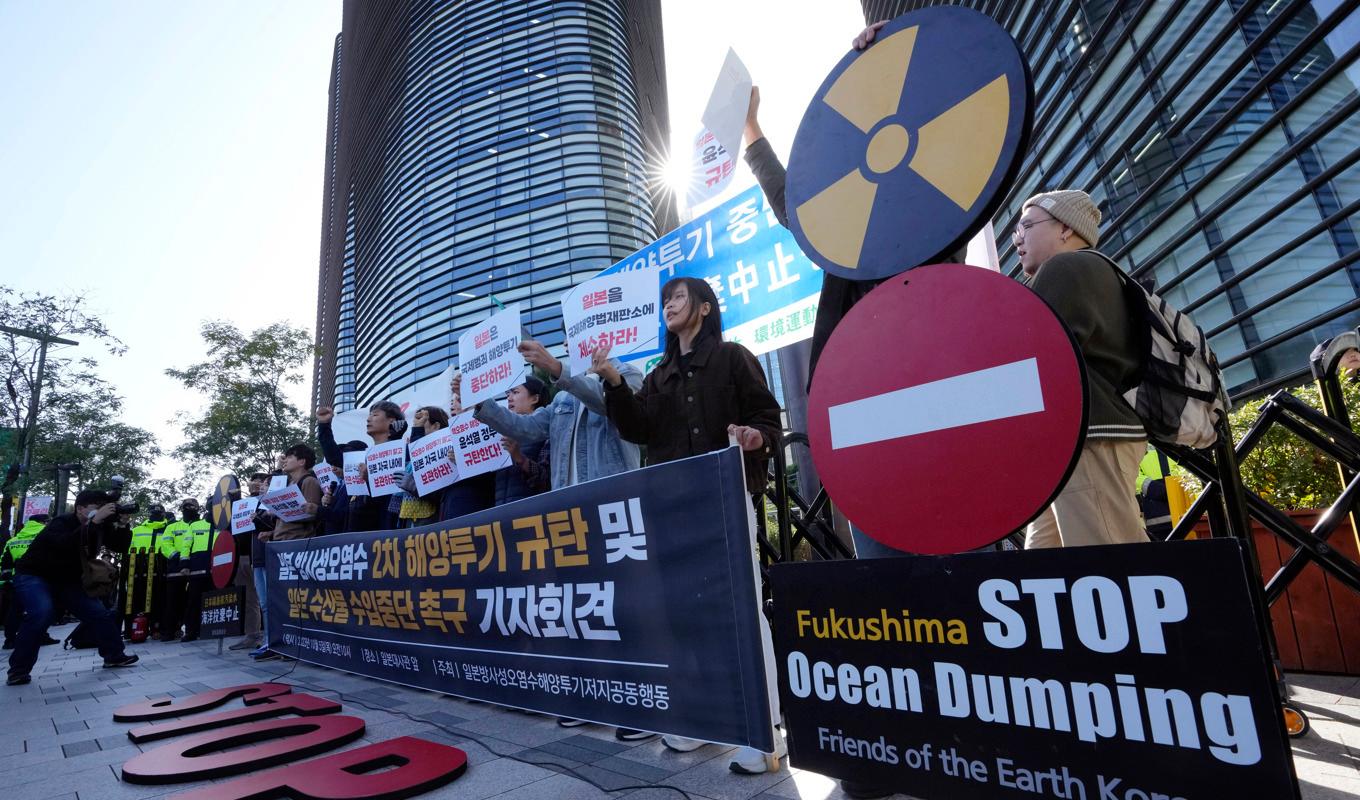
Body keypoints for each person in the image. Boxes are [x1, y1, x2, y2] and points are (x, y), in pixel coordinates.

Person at [592, 277, 784, 772]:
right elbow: (638, 429)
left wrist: (752, 437)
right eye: (664, 301)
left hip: (724, 493)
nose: (669, 307)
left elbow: (768, 417)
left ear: (703, 307)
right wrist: (613, 381)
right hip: (672, 503)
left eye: (677, 298)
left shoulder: (733, 357)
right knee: (684, 610)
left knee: (738, 606)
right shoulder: (658, 376)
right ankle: (704, 721)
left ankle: (766, 731)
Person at [1015, 189, 1148, 548]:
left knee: (1110, 566)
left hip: (1088, 435)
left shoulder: (1065, 267)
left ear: (1064, 229)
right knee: (1049, 573)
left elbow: (1032, 355)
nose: (1018, 239)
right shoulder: (1100, 270)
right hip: (1082, 438)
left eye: (1027, 225)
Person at [467, 340, 642, 492]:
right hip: (567, 503)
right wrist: (480, 401)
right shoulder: (562, 398)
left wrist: (555, 367)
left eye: (571, 335)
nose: (566, 343)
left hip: (614, 495)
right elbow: (524, 428)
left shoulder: (629, 374)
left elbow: (619, 406)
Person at [6, 490, 139, 685]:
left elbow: (120, 546)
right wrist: (94, 522)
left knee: (98, 613)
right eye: (96, 508)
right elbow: (66, 543)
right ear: (80, 509)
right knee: (42, 613)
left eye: (103, 508)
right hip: (34, 574)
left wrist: (122, 524)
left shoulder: (101, 526)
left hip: (67, 580)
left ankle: (114, 656)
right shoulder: (61, 522)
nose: (100, 512)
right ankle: (18, 671)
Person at [251, 444, 322, 660]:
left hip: (297, 545)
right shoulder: (289, 483)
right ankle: (283, 643)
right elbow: (287, 519)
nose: (285, 460)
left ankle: (298, 645)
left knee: (296, 599)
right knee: (282, 599)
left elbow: (312, 514)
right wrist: (271, 532)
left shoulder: (308, 481)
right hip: (280, 544)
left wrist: (285, 508)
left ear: (302, 461)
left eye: (290, 457)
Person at [2, 513, 59, 650]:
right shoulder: (47, 535)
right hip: (43, 577)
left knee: (15, 610)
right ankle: (42, 636)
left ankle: (9, 640)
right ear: (44, 522)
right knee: (43, 609)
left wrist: (7, 581)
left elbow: (5, 563)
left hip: (18, 579)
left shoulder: (13, 541)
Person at [492, 377, 551, 505]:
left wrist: (519, 457)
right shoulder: (499, 434)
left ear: (535, 399)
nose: (509, 398)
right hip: (500, 514)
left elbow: (545, 479)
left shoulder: (547, 433)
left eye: (515, 392)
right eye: (508, 394)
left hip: (533, 512)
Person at [229, 473, 269, 651]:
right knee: (247, 599)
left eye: (259, 482)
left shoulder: (267, 501)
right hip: (241, 556)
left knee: (264, 599)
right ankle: (251, 634)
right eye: (252, 482)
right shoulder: (241, 505)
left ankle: (268, 635)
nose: (255, 485)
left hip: (259, 555)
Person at [399, 406, 451, 526]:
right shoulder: (411, 456)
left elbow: (441, 493)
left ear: (436, 426)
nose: (417, 424)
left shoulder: (448, 453)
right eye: (416, 421)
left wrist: (414, 486)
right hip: (409, 523)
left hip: (433, 522)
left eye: (423, 420)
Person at [171, 499, 213, 642]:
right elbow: (186, 546)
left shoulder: (223, 525)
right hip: (197, 569)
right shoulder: (195, 525)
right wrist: (184, 564)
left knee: (214, 600)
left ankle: (211, 629)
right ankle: (191, 631)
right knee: (193, 601)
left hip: (218, 569)